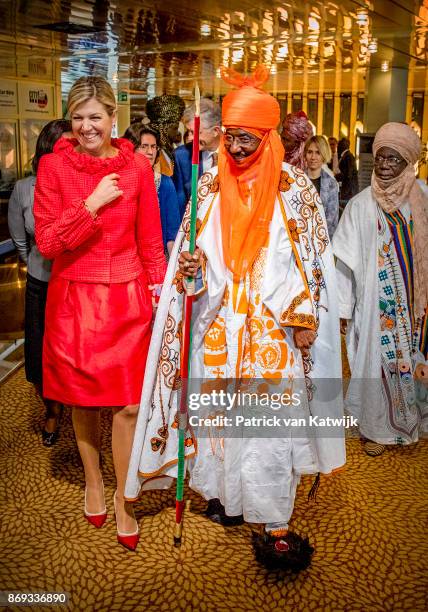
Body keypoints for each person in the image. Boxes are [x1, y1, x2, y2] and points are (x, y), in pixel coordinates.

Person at [125, 65, 345, 571]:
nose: (238, 149)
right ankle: (225, 496)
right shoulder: (208, 185)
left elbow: (311, 262)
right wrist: (192, 270)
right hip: (220, 322)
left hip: (272, 330)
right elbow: (194, 257)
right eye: (231, 138)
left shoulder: (295, 191)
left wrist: (304, 315)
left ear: (267, 137)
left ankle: (272, 515)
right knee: (219, 420)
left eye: (248, 139)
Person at [34, 76, 167, 551]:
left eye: (96, 117)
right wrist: (90, 205)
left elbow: (151, 240)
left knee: (130, 404)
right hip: (75, 299)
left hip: (128, 297)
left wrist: (159, 294)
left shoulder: (136, 168)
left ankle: (124, 498)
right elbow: (48, 243)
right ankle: (93, 479)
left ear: (115, 120)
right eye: (78, 117)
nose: (87, 126)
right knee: (84, 400)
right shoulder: (54, 167)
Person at [333, 122, 428, 457]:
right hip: (377, 310)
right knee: (375, 364)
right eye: (382, 158)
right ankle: (378, 429)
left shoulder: (424, 198)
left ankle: (417, 422)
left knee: (418, 361)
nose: (385, 165)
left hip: (419, 308)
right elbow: (343, 261)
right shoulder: (360, 206)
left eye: (394, 159)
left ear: (409, 162)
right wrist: (343, 309)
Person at [8, 119, 71, 447]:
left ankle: (80, 407)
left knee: (73, 352)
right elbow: (20, 238)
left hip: (76, 283)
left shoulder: (85, 185)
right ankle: (52, 411)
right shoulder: (24, 189)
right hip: (41, 281)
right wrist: (32, 258)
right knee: (38, 355)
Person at [123, 124, 180, 255]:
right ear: (131, 148)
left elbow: (172, 232)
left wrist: (173, 269)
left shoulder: (164, 183)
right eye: (144, 146)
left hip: (156, 256)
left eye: (153, 147)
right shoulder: (118, 181)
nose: (150, 152)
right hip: (125, 257)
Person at [173, 98, 222, 219]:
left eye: (194, 132)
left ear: (215, 131)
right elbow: (179, 202)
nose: (189, 138)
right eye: (188, 132)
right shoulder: (182, 156)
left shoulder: (235, 154)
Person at [304, 135, 339, 238]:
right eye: (310, 152)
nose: (313, 157)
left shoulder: (331, 184)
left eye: (318, 153)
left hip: (322, 240)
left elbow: (332, 220)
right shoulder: (297, 180)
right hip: (299, 241)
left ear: (323, 155)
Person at [145, 94, 185, 176]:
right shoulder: (154, 151)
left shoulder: (166, 150)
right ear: (165, 128)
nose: (177, 133)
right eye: (175, 128)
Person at [336, 137, 359, 210]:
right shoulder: (347, 156)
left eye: (338, 145)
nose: (337, 147)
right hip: (348, 191)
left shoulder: (348, 157)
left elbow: (348, 175)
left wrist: (335, 177)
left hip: (349, 192)